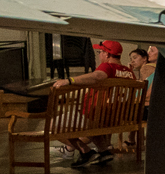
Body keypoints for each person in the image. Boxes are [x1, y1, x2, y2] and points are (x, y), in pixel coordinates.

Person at [53, 39, 128, 167]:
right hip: (116, 117)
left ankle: (86, 152)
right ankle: (104, 151)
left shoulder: (107, 67)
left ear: (107, 54)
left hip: (97, 116)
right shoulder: (128, 72)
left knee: (54, 125)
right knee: (91, 122)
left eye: (100, 52)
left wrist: (69, 80)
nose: (99, 55)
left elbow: (97, 76)